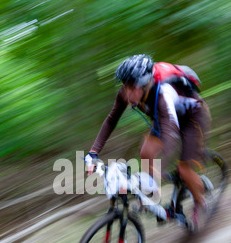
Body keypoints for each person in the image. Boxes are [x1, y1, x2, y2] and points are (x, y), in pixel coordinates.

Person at [85, 54, 211, 227]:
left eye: (131, 87)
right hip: (165, 119)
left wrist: (161, 165)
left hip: (192, 118)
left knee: (183, 169)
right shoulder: (127, 92)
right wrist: (93, 152)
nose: (126, 93)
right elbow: (111, 120)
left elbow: (170, 133)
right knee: (145, 152)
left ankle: (200, 200)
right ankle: (151, 197)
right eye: (124, 86)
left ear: (144, 85)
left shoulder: (163, 94)